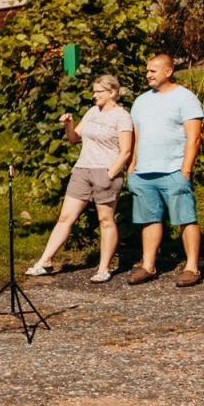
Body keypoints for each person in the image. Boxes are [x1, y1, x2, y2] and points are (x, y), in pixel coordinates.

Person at [25, 75, 133, 283]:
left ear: (112, 92)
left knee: (105, 220)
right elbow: (74, 138)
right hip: (82, 170)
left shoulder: (122, 116)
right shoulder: (92, 112)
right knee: (65, 217)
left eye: (98, 91)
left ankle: (103, 268)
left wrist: (111, 174)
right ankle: (45, 262)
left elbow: (126, 151)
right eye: (94, 91)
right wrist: (69, 124)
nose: (94, 95)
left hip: (105, 171)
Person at [126, 53, 204, 287]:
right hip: (144, 172)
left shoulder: (185, 98)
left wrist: (185, 170)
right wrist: (132, 167)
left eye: (153, 71)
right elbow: (137, 137)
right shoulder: (141, 101)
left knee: (186, 218)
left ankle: (192, 267)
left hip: (173, 171)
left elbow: (194, 137)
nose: (148, 75)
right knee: (149, 219)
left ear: (168, 72)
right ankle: (148, 265)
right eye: (147, 70)